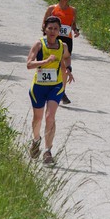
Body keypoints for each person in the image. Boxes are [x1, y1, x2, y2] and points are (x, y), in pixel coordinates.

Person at [27, 16, 74, 165]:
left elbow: (66, 57)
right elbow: (29, 64)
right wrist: (45, 62)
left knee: (50, 117)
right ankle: (36, 140)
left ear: (59, 31)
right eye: (50, 28)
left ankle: (47, 151)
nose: (53, 31)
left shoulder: (63, 46)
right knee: (38, 118)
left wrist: (68, 69)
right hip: (39, 87)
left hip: (56, 85)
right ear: (45, 29)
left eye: (56, 29)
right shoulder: (39, 45)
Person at [42, 0, 79, 104]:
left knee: (65, 67)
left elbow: (73, 24)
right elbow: (44, 23)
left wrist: (76, 30)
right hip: (54, 39)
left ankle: (61, 92)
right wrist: (47, 33)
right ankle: (49, 88)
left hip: (67, 40)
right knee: (52, 64)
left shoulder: (73, 10)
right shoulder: (52, 9)